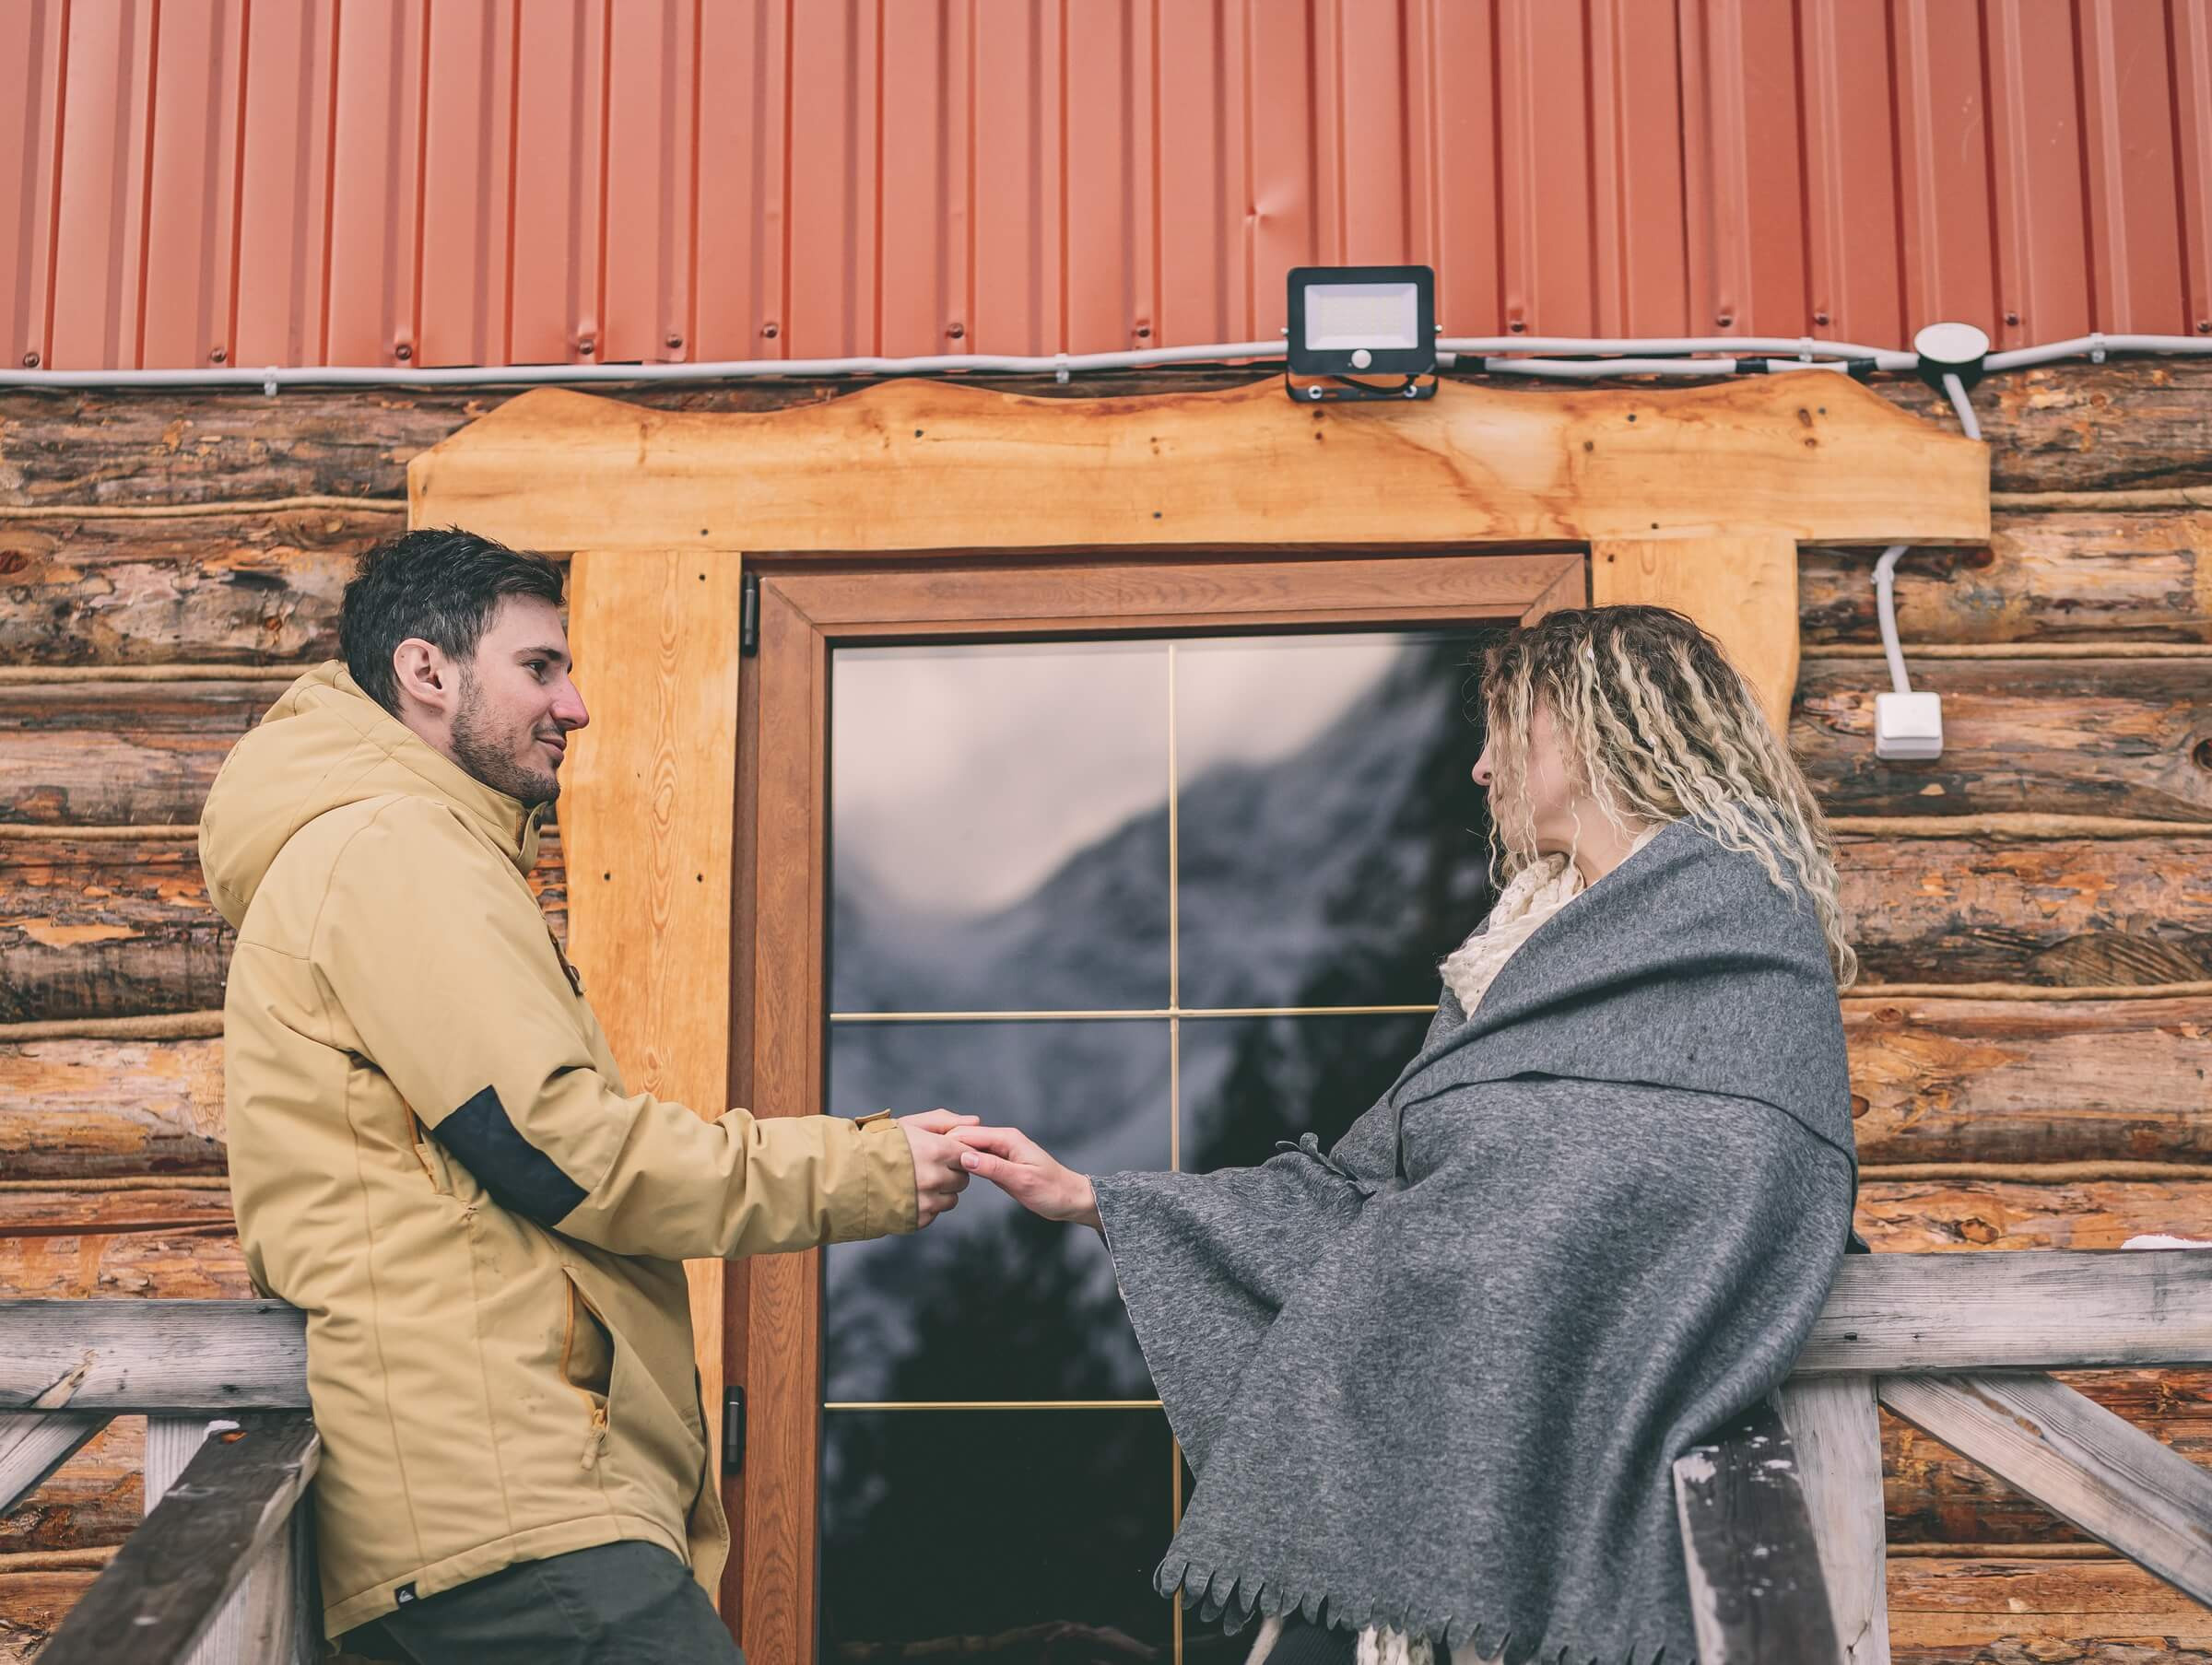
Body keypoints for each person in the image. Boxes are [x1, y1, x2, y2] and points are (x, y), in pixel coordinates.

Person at [952, 605, 1863, 1665]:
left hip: (1592, 1465)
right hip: (1436, 1458)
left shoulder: (1741, 933)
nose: (1480, 770)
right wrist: (1099, 1197)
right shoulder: (1511, 955)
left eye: (1505, 734)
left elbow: (1739, 1178)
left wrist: (1494, 1254)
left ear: (1595, 730)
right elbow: (1368, 1190)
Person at [198, 527, 975, 1665]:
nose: (576, 704)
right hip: (512, 1517)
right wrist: (869, 1165)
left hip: (494, 1518)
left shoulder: (400, 845)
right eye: (539, 667)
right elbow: (561, 1149)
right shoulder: (393, 849)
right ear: (426, 673)